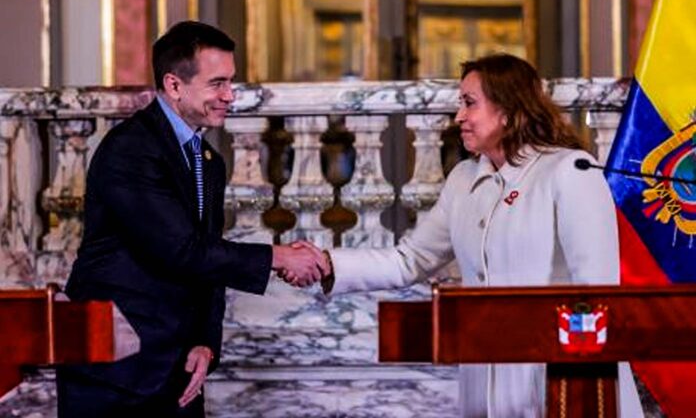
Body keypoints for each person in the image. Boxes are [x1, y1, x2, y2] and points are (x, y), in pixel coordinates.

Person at [317, 54, 644, 417]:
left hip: (561, 386)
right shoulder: (462, 179)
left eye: (469, 103)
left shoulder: (570, 170)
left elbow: (597, 295)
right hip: (483, 384)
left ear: (508, 110)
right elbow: (409, 260)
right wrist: (325, 264)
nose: (459, 116)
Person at [56, 21, 325, 417]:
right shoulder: (131, 149)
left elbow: (208, 259)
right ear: (174, 85)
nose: (229, 95)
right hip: (113, 371)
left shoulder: (208, 160)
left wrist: (205, 342)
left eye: (231, 82)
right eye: (217, 83)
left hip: (177, 369)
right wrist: (279, 257)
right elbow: (182, 250)